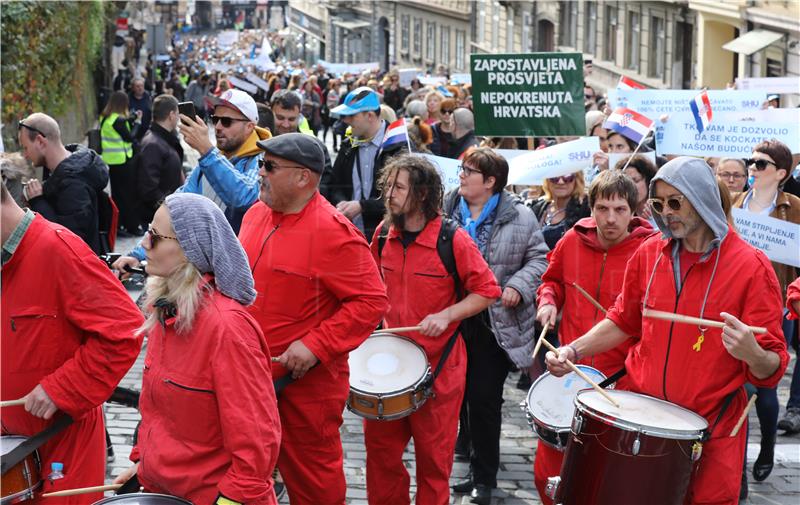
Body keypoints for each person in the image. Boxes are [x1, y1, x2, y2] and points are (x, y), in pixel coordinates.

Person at [545, 157, 789, 504]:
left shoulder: (751, 266)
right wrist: (574, 350)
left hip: (711, 430)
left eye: (676, 202)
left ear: (702, 198)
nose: (667, 212)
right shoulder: (648, 254)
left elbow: (771, 370)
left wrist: (752, 351)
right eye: (658, 204)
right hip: (641, 422)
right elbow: (623, 320)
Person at [239, 133, 388, 505]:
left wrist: (316, 345)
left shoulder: (333, 232)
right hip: (249, 378)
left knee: (314, 482)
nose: (260, 173)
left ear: (304, 177)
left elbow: (371, 301)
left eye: (269, 166)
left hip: (303, 388)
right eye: (261, 164)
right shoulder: (255, 215)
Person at [113, 193, 281, 504]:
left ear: (191, 250)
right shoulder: (167, 312)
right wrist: (143, 465)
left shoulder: (227, 329)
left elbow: (256, 445)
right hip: (165, 491)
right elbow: (158, 414)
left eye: (155, 237)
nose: (144, 244)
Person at [365, 154, 500, 505]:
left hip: (438, 372)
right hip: (389, 368)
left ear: (422, 194)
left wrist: (448, 314)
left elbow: (488, 291)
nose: (389, 194)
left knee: (433, 465)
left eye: (398, 187)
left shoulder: (452, 240)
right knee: (381, 459)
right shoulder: (382, 235)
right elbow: (369, 288)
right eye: (388, 186)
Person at [1, 180, 144, 503]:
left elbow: (125, 331)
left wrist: (62, 388)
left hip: (62, 447)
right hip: (12, 450)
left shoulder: (59, 249)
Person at [533, 170, 655, 504]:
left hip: (622, 381)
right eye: (602, 208)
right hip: (569, 371)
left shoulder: (649, 251)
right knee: (549, 473)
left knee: (605, 479)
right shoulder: (572, 240)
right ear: (591, 208)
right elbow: (551, 281)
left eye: (619, 209)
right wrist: (548, 302)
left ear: (635, 211)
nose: (610, 218)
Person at [442, 149, 549, 505]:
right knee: (456, 395)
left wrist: (517, 286)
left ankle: (484, 479)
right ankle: (467, 460)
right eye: (462, 168)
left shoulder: (518, 215)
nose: (461, 175)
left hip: (495, 323)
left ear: (490, 182)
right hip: (452, 317)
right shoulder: (444, 209)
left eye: (469, 171)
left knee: (484, 399)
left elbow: (538, 258)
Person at [112, 89, 270, 274]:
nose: (218, 127)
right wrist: (138, 255)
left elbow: (245, 197)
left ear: (250, 127)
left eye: (226, 121)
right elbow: (174, 210)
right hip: (200, 271)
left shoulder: (261, 159)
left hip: (236, 272)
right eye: (215, 119)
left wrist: (206, 150)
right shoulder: (211, 159)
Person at [731, 140, 800, 482]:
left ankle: (768, 444)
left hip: (777, 307)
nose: (753, 168)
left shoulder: (796, 208)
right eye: (751, 161)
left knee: (766, 387)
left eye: (761, 163)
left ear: (782, 173)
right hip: (734, 304)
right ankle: (736, 465)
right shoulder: (733, 204)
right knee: (736, 386)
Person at [18, 113, 110, 254]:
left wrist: (38, 201)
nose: (25, 154)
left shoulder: (73, 185)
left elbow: (69, 243)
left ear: (40, 142)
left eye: (25, 147)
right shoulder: (61, 170)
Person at [328, 86, 406, 240]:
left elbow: (402, 196)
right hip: (350, 234)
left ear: (370, 115)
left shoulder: (399, 146)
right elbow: (335, 184)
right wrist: (341, 202)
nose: (345, 120)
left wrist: (362, 206)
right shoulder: (348, 145)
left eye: (351, 116)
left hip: (387, 237)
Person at [135, 94, 184, 226]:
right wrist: (170, 209)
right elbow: (148, 188)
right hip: (159, 218)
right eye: (178, 114)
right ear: (171, 115)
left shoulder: (165, 139)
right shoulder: (153, 144)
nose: (178, 118)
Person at [100, 91, 143, 236]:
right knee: (127, 196)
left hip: (113, 162)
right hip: (123, 162)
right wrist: (137, 122)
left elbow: (122, 125)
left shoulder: (106, 118)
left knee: (118, 195)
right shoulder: (118, 121)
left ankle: (119, 225)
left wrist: (131, 118)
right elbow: (130, 137)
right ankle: (131, 225)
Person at [529, 171, 592, 250]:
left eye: (567, 176)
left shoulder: (586, 208)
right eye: (555, 177)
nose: (560, 182)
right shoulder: (537, 207)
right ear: (547, 180)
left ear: (577, 179)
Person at [618, 154, 657, 221]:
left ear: (648, 180)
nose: (632, 186)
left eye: (636, 180)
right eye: (627, 182)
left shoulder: (660, 209)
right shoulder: (618, 213)